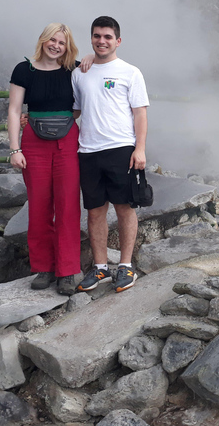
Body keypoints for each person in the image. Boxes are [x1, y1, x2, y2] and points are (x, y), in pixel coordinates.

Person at [74, 16, 149, 293]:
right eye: (97, 36)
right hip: (88, 150)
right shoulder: (80, 72)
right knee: (94, 211)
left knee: (124, 208)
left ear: (118, 40)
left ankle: (126, 266)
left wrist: (139, 149)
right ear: (91, 38)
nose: (101, 41)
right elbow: (75, 110)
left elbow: (139, 113)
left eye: (107, 37)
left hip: (120, 148)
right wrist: (36, 119)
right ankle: (101, 267)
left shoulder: (130, 72)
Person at [8, 23, 83, 295]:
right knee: (39, 204)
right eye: (52, 40)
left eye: (62, 42)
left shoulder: (74, 70)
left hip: (67, 142)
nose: (56, 46)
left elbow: (80, 106)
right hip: (33, 144)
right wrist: (15, 149)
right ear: (43, 40)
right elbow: (15, 110)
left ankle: (67, 271)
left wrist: (59, 123)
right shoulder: (23, 69)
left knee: (68, 205)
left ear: (67, 46)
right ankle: (44, 268)